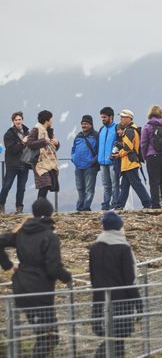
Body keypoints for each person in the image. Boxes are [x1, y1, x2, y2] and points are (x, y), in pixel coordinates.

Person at [0, 197, 72, 357]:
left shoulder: (22, 231)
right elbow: (53, 268)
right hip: (39, 292)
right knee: (48, 338)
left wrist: (8, 266)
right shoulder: (49, 236)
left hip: (22, 288)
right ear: (49, 213)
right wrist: (67, 277)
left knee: (46, 336)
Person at [90, 211, 143, 358]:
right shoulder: (123, 249)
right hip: (121, 303)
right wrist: (138, 304)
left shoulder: (95, 248)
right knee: (117, 341)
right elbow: (129, 280)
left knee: (113, 341)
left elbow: (93, 279)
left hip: (100, 302)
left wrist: (95, 307)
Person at [111, 116, 152, 210]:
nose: (121, 119)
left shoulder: (129, 131)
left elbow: (128, 148)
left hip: (130, 162)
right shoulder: (131, 130)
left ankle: (147, 203)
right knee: (125, 186)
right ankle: (119, 206)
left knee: (136, 184)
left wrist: (118, 155)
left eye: (122, 117)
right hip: (127, 163)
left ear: (128, 118)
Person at [140, 105, 162, 208]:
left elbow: (143, 144)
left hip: (153, 156)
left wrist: (145, 156)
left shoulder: (147, 126)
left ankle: (155, 205)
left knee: (154, 181)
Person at [0, 111, 30, 214]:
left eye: (19, 119)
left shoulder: (28, 132)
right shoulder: (8, 134)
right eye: (16, 120)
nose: (18, 121)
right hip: (12, 165)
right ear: (13, 121)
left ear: (22, 120)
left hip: (25, 164)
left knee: (21, 188)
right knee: (7, 186)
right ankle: (1, 204)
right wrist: (23, 143)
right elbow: (11, 149)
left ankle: (19, 208)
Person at [26, 110, 61, 200]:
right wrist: (43, 141)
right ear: (46, 120)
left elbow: (53, 148)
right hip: (39, 162)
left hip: (49, 162)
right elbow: (29, 143)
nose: (52, 121)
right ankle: (39, 208)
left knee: (47, 185)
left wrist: (57, 143)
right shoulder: (36, 129)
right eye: (51, 119)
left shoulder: (49, 131)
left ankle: (41, 208)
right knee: (44, 185)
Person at [71, 115, 99, 211]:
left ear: (91, 125)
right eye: (82, 124)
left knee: (89, 189)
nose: (84, 125)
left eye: (86, 124)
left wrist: (93, 161)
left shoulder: (96, 135)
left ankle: (86, 207)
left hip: (90, 167)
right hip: (78, 166)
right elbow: (73, 148)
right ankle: (79, 207)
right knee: (80, 188)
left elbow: (100, 151)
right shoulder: (78, 135)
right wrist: (73, 157)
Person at [97, 107, 119, 211]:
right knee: (106, 185)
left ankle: (114, 204)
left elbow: (119, 143)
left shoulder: (116, 128)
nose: (103, 119)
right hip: (102, 161)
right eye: (102, 117)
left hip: (112, 162)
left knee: (115, 184)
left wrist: (114, 154)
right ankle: (105, 205)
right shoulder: (102, 129)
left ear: (111, 117)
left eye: (105, 117)